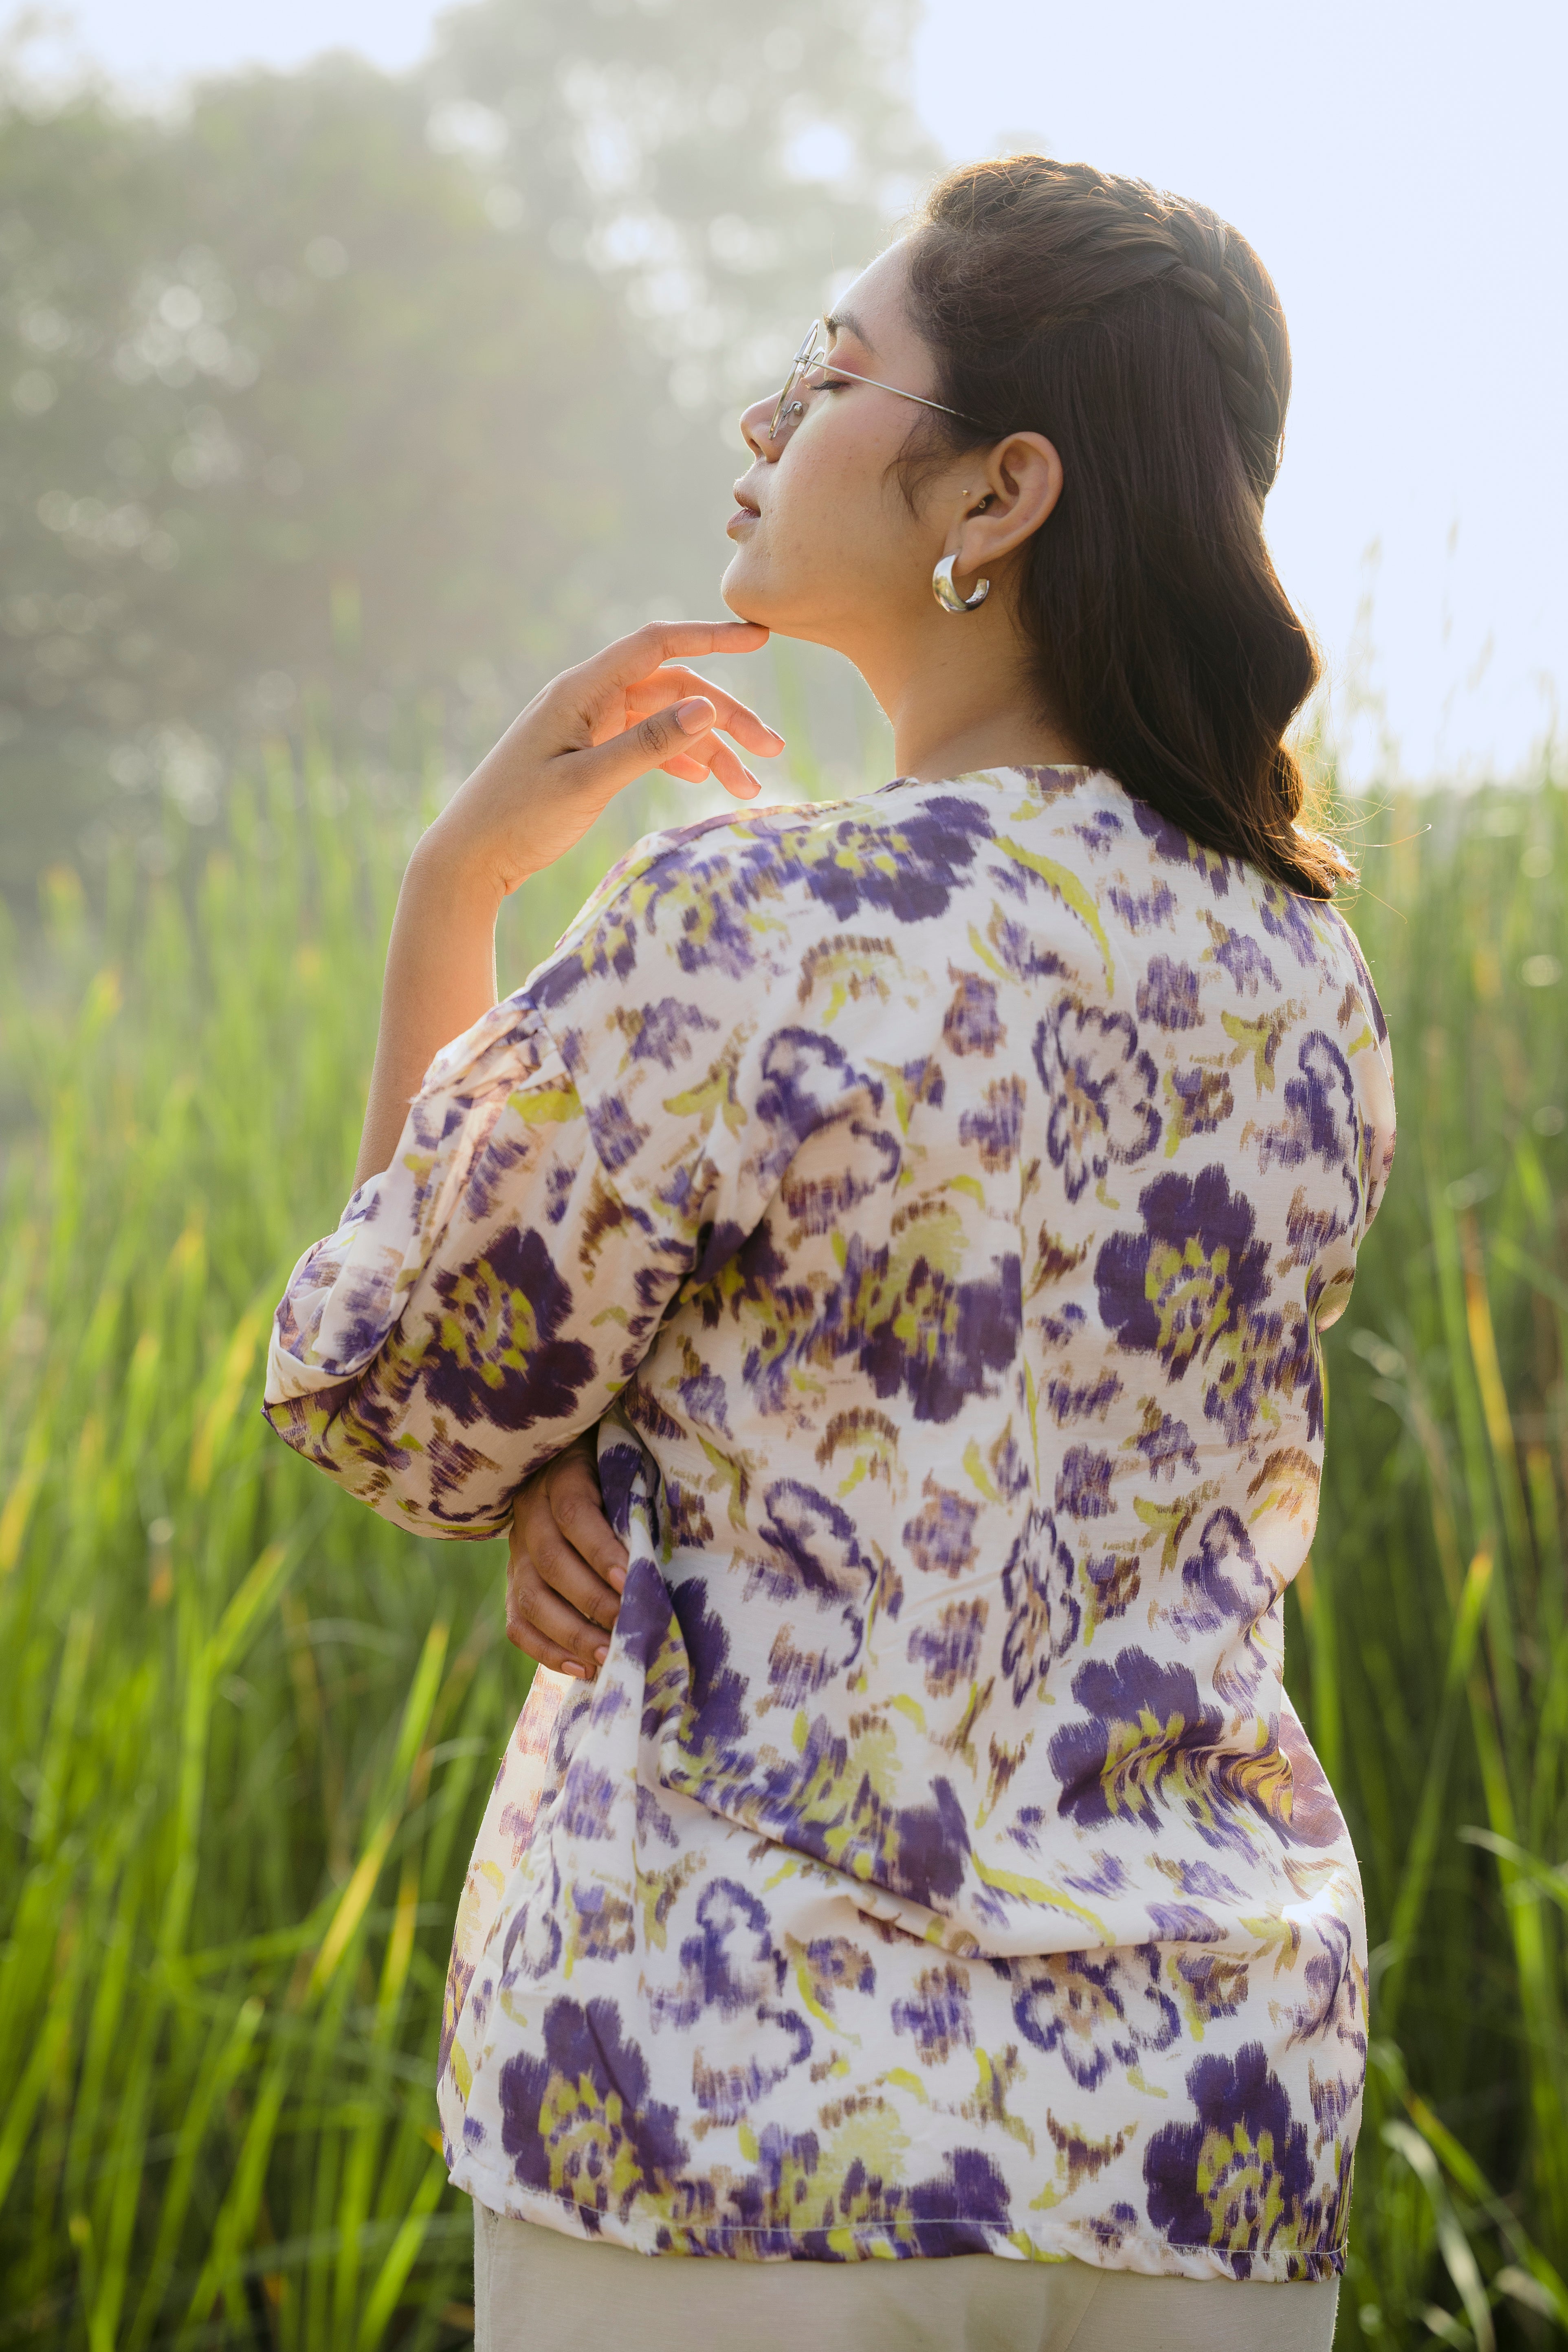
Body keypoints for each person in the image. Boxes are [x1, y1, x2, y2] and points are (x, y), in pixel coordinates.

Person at [264, 154, 1395, 2352]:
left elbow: (402, 1372)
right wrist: (614, 1454)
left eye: (830, 369)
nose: (760, 428)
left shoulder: (760, 915)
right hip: (1201, 2115)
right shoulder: (1302, 976)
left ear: (1000, 492)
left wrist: (455, 888)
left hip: (736, 2088)